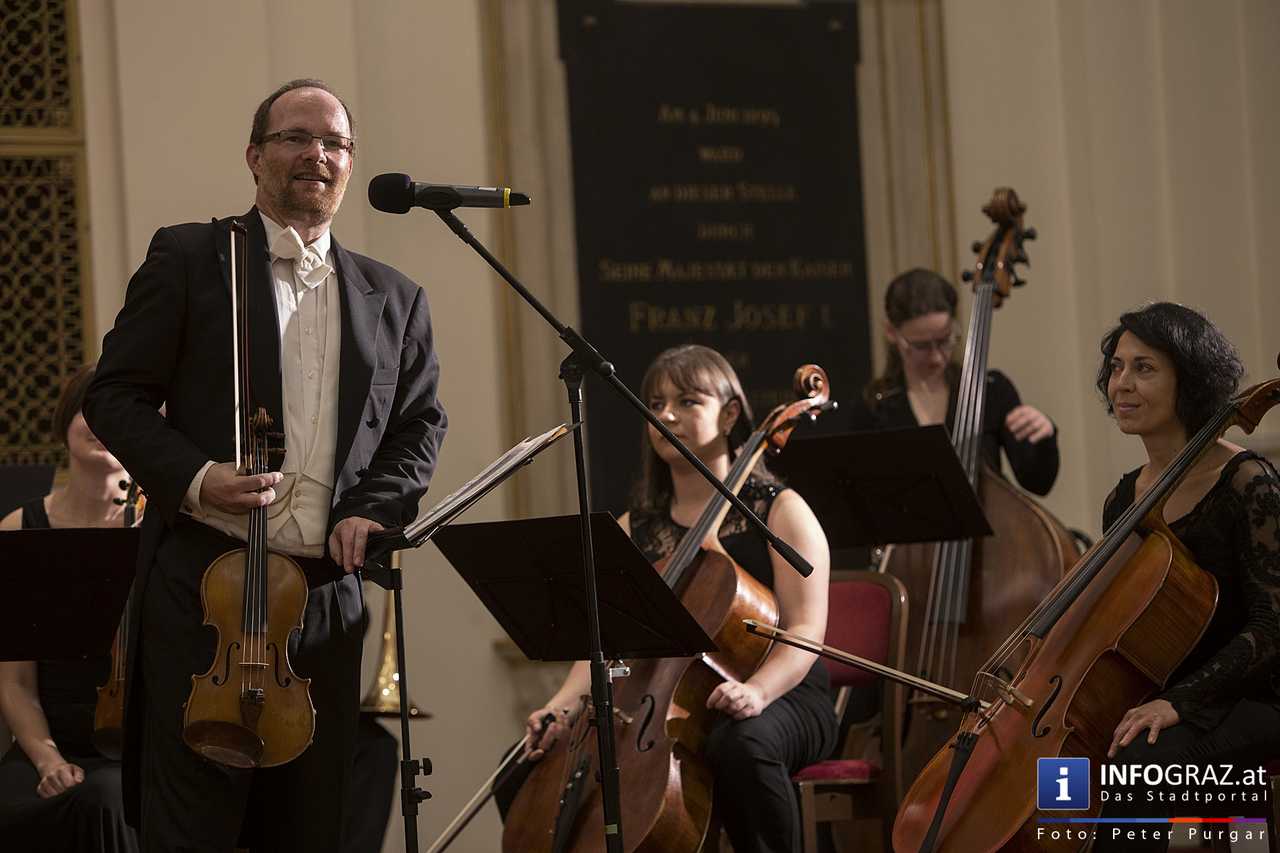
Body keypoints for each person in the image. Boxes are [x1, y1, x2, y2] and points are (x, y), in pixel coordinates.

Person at [82, 78, 447, 852]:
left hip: (324, 605)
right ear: (255, 156)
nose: (317, 155)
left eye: (335, 143)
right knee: (194, 833)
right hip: (206, 593)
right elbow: (115, 395)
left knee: (311, 831)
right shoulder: (189, 257)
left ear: (350, 164)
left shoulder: (396, 298)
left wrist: (371, 506)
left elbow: (417, 426)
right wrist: (195, 477)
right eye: (296, 138)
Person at [508, 344, 836, 853]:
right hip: (665, 701)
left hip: (784, 690)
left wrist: (760, 692)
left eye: (687, 402)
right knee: (525, 770)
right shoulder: (632, 528)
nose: (665, 415)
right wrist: (558, 709)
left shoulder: (781, 512)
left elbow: (806, 633)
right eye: (655, 404)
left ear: (730, 414)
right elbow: (602, 644)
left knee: (741, 747)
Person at [1091, 303, 1280, 851]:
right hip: (1168, 696)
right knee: (1074, 768)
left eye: (1144, 368)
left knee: (1136, 771)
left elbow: (1274, 627)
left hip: (1254, 695)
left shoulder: (1248, 482)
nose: (1121, 383)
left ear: (1190, 382)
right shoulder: (1124, 498)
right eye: (1117, 367)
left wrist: (1182, 701)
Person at [0, 364, 141, 852]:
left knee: (105, 799)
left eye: (116, 413)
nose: (101, 423)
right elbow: (15, 682)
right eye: (89, 407)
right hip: (46, 740)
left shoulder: (155, 530)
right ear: (64, 421)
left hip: (136, 750)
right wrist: (48, 761)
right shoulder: (19, 528)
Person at [848, 268, 1059, 496]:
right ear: (891, 332)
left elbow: (1038, 483)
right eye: (921, 346)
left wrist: (1044, 434)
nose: (937, 356)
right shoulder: (875, 408)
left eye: (944, 340)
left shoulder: (990, 390)